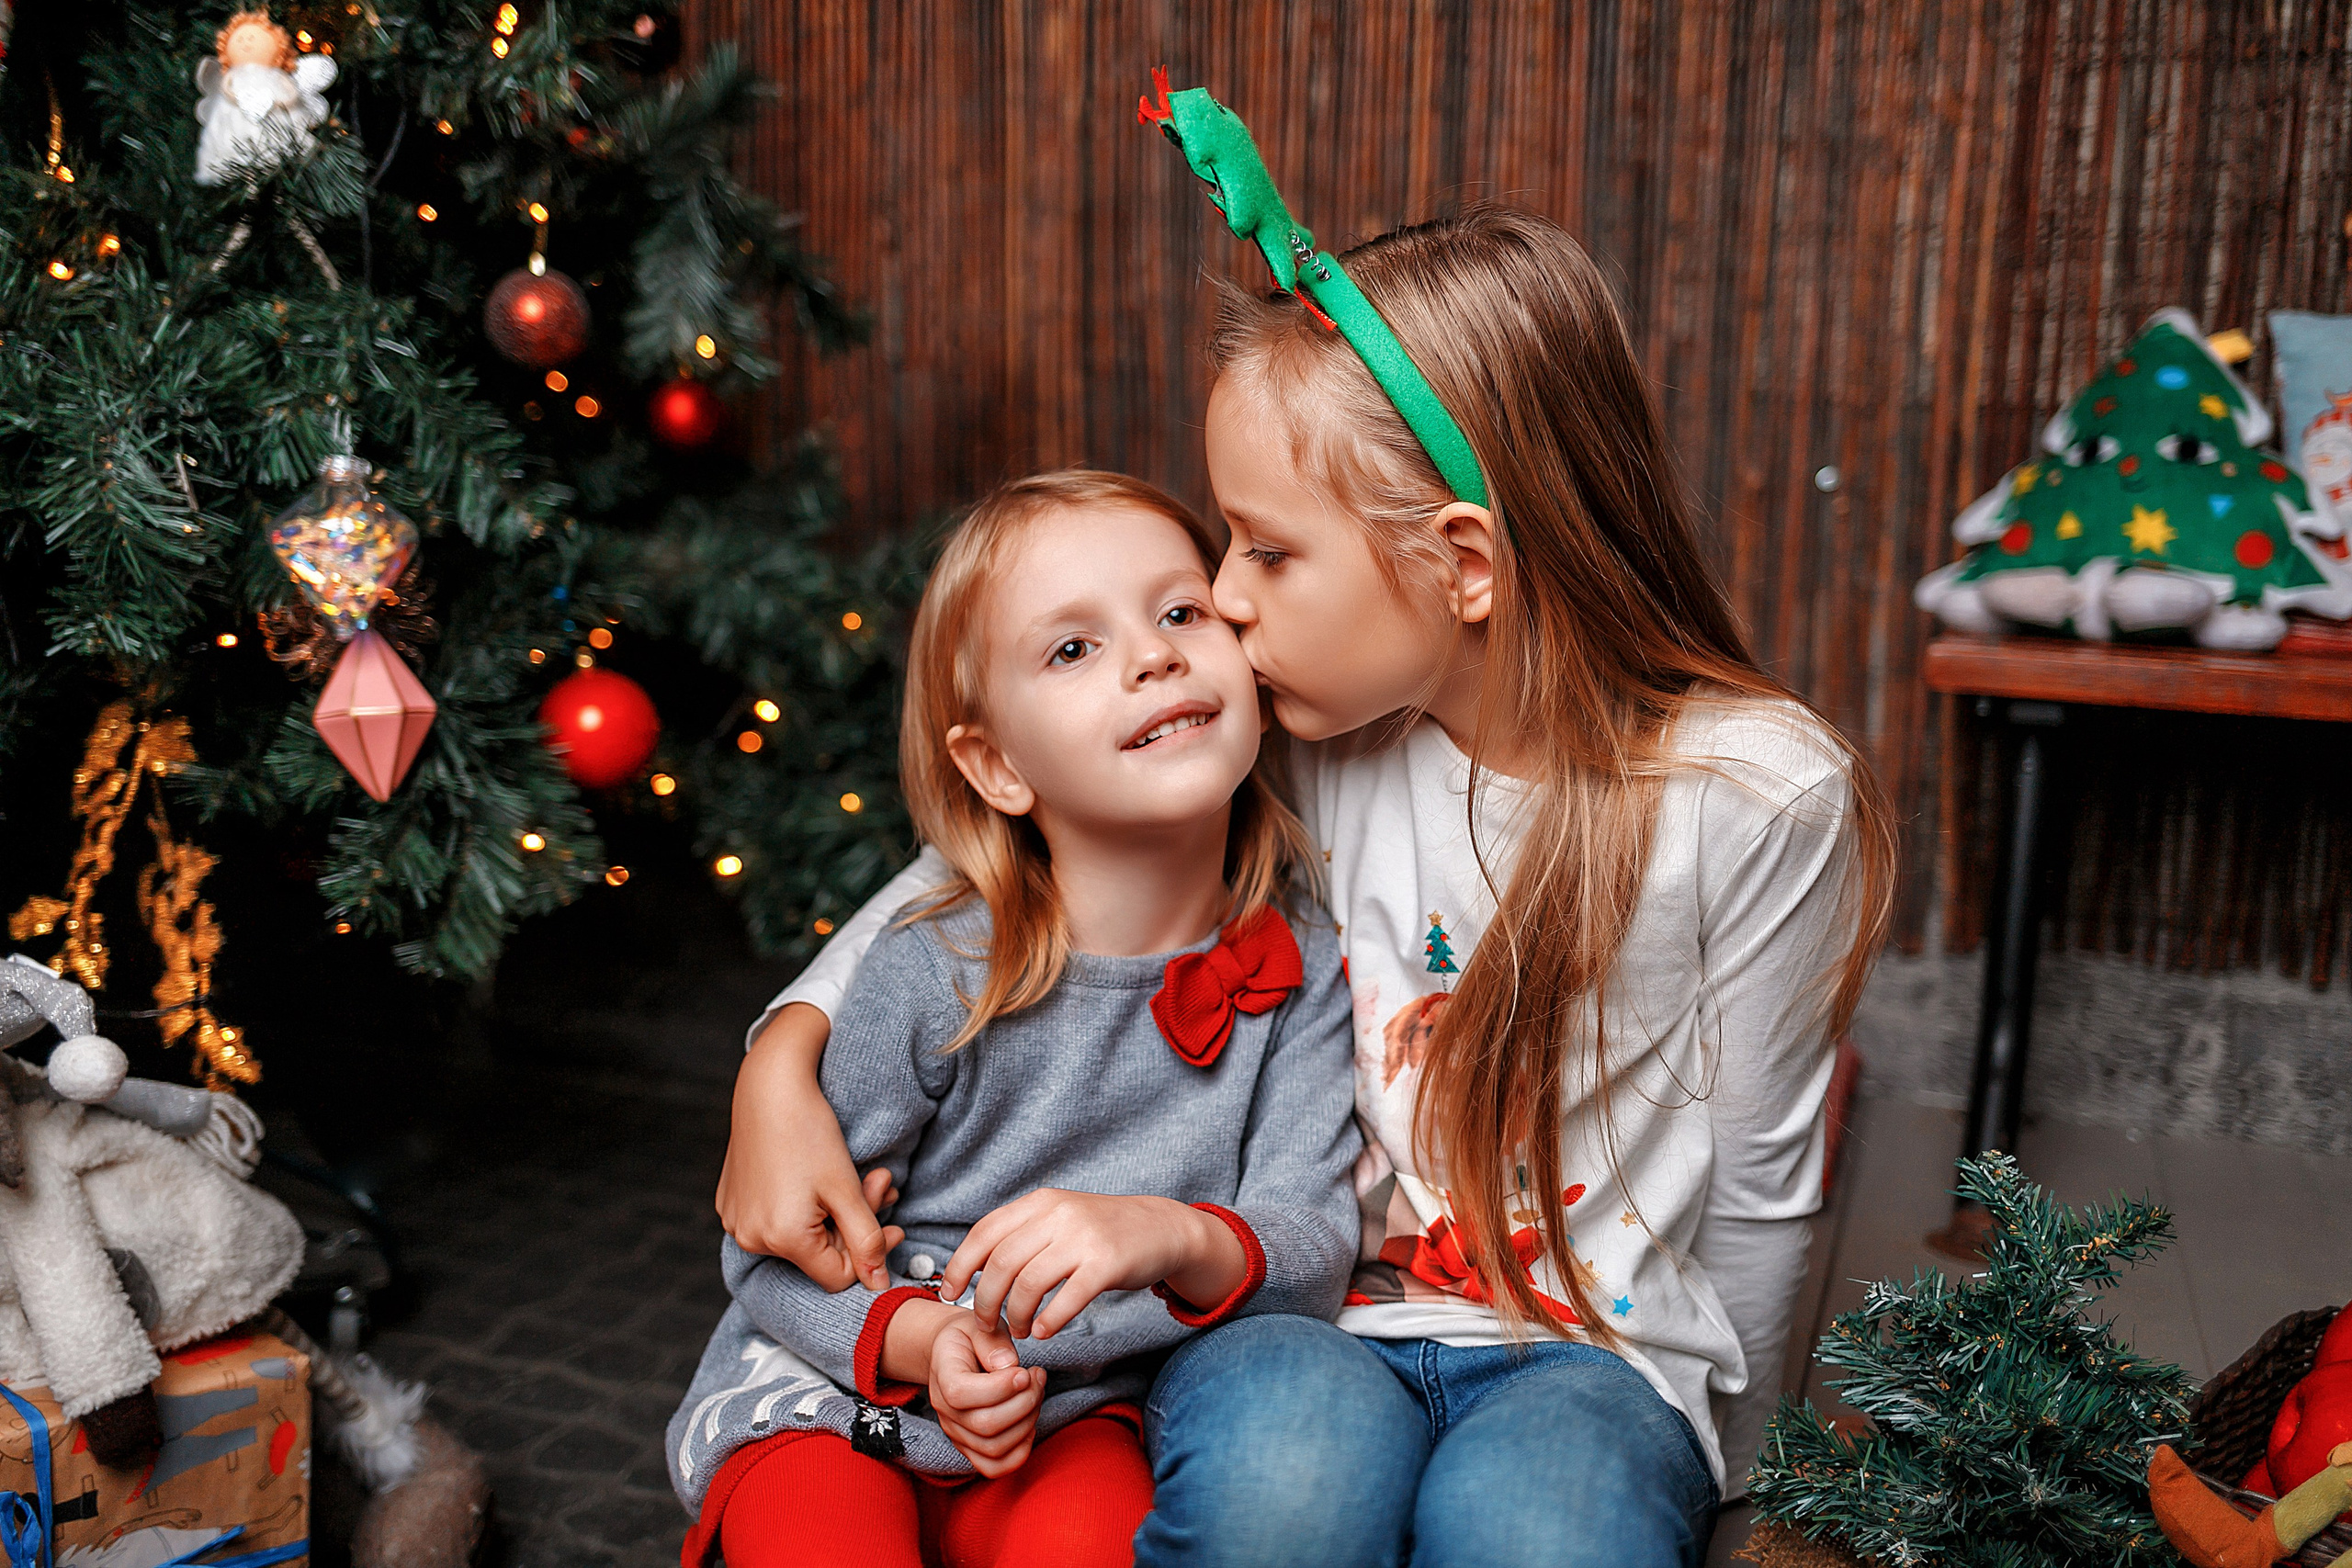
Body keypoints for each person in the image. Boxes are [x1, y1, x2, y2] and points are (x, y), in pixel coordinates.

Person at [720, 200, 1894, 1567]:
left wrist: (1735, 1479)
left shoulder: (1756, 796)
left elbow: (1761, 1177)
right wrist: (783, 1053)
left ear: (1462, 565)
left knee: (1538, 1533)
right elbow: (1004, 844)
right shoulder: (1307, 720)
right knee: (1286, 1496)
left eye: (1265, 550)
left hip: (1602, 1352)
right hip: (1303, 1314)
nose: (1220, 600)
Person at [668, 471, 1361, 1568]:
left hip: (1072, 1413)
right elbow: (773, 1259)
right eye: (1072, 650)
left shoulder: (1302, 967)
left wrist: (1170, 1232)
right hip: (833, 1393)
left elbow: (1314, 1249)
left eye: (1179, 612)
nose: (1153, 656)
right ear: (996, 766)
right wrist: (920, 1336)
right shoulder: (936, 967)